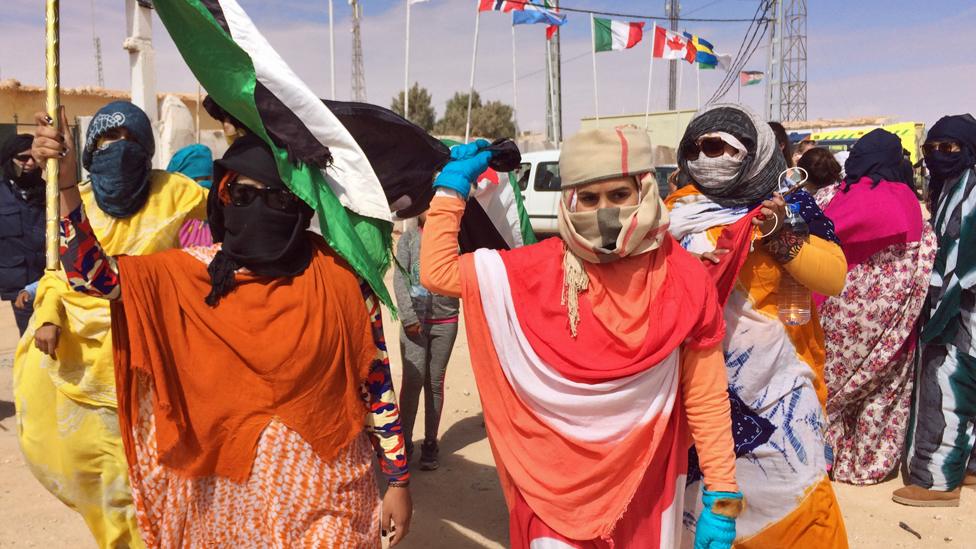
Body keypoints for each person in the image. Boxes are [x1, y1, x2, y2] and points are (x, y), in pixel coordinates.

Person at [32, 109, 413, 546]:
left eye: (276, 197)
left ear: (301, 204)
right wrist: (64, 185)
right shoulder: (192, 276)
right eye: (241, 193)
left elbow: (376, 384)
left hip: (329, 499)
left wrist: (399, 481)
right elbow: (90, 276)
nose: (256, 209)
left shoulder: (342, 282)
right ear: (222, 198)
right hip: (231, 509)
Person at [420, 129, 741, 548]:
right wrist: (451, 187)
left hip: (644, 489)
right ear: (569, 201)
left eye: (619, 194)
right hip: (551, 496)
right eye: (589, 199)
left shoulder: (684, 279)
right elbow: (438, 273)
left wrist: (723, 495)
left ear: (644, 190)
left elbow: (706, 396)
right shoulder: (537, 268)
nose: (605, 211)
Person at [13, 102, 207, 548]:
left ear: (148, 148)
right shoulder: (68, 202)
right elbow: (57, 273)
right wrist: (47, 315)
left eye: (129, 142)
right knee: (106, 487)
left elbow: (203, 264)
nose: (117, 151)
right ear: (87, 153)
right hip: (85, 369)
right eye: (104, 142)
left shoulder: (180, 198)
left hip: (154, 364)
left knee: (161, 485)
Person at [666, 104, 849, 547]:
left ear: (754, 153)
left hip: (779, 395)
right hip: (701, 396)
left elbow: (834, 275)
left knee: (796, 504)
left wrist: (780, 236)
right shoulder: (676, 210)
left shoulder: (787, 205)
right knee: (709, 510)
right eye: (697, 147)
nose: (706, 156)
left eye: (719, 147)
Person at [813, 129, 937, 486]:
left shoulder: (829, 197)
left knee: (828, 389)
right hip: (887, 324)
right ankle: (866, 465)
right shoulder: (910, 204)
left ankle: (825, 457)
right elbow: (920, 260)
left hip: (833, 318)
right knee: (881, 394)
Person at [894, 114, 976, 507]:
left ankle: (937, 481)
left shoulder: (970, 191)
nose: (940, 156)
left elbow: (963, 257)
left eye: (951, 148)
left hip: (960, 307)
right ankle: (969, 466)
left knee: (946, 384)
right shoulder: (949, 186)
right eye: (934, 149)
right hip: (960, 304)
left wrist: (941, 298)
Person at [393, 211, 459, 471]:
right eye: (427, 203)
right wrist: (408, 317)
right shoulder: (408, 239)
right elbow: (399, 278)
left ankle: (430, 443)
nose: (432, 209)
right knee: (413, 381)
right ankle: (404, 443)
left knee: (435, 383)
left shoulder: (452, 240)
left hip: (446, 322)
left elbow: (462, 272)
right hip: (414, 324)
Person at [0, 133, 46, 335]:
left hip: (50, 279)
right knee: (30, 339)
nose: (30, 163)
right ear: (10, 160)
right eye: (23, 158)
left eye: (34, 158)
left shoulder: (50, 191)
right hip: (19, 285)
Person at [167, 143, 215, 248]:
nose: (203, 185)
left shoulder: (222, 215)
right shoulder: (161, 219)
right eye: (195, 180)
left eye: (207, 179)